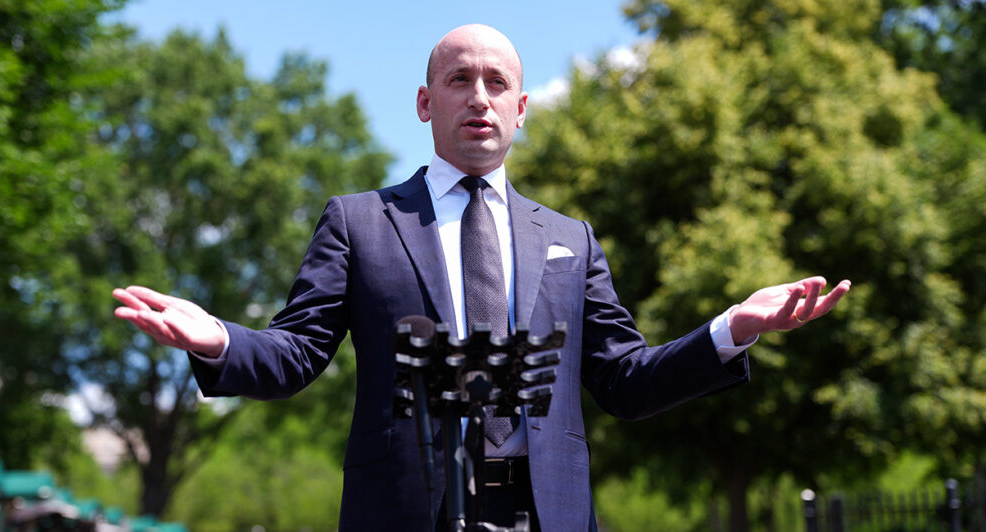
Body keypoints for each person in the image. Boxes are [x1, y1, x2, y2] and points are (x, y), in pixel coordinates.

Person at [113, 24, 850, 531]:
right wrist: (217, 340)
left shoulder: (571, 239)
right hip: (407, 510)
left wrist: (730, 331)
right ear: (425, 102)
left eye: (497, 83)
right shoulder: (359, 222)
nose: (479, 96)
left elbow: (625, 382)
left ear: (521, 110)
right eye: (459, 79)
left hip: (546, 513)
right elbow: (295, 354)